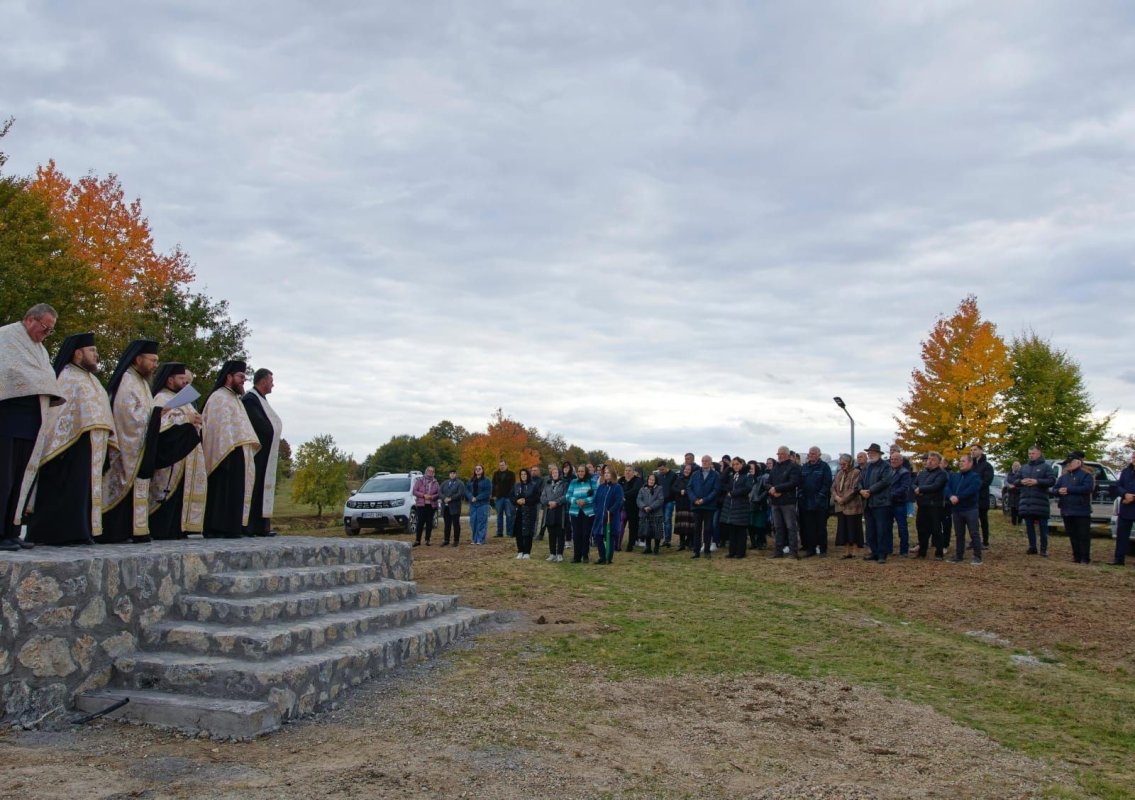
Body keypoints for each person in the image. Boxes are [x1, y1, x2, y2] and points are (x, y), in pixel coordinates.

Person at [24, 332, 115, 546]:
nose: (96, 354)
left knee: (84, 490)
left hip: (92, 445)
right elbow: (57, 416)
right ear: (77, 353)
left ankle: (81, 531)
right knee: (70, 488)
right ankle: (58, 533)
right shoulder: (66, 376)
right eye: (91, 350)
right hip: (71, 445)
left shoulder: (91, 379)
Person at [0, 303, 62, 551]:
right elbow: (8, 370)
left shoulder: (40, 350)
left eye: (50, 331)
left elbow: (46, 376)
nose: (46, 335)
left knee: (19, 479)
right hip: (7, 420)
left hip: (31, 421)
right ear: (30, 320)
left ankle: (11, 530)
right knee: (2, 478)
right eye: (45, 328)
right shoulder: (5, 337)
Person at [101, 339, 165, 544]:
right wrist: (157, 415)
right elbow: (127, 415)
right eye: (153, 360)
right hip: (126, 444)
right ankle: (115, 531)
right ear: (138, 359)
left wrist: (158, 414)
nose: (156, 364)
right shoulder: (127, 381)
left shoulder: (142, 382)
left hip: (141, 444)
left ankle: (133, 529)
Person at [201, 360, 261, 539]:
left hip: (237, 451)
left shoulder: (235, 399)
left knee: (235, 491)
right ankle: (217, 527)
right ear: (229, 377)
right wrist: (226, 448)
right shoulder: (218, 397)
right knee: (222, 490)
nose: (244, 380)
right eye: (241, 377)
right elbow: (217, 428)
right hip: (223, 453)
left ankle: (231, 527)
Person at [148, 363, 206, 540]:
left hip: (188, 457)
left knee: (182, 496)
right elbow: (159, 425)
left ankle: (181, 529)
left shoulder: (186, 401)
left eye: (186, 379)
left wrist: (196, 419)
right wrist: (185, 419)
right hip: (171, 460)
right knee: (167, 497)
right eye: (181, 379)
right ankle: (161, 531)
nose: (185, 382)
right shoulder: (160, 398)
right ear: (170, 379)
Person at [241, 368, 282, 537]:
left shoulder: (260, 399)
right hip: (257, 453)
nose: (273, 384)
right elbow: (258, 423)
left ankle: (261, 526)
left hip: (266, 453)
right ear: (263, 381)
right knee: (255, 488)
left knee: (262, 488)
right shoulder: (251, 399)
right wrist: (270, 431)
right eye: (271, 381)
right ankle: (251, 526)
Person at [1010, 447, 1054, 556]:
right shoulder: (1024, 467)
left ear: (1039, 454)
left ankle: (1043, 549)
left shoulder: (1046, 467)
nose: (1031, 455)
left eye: (1033, 453)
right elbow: (1014, 480)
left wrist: (1037, 481)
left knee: (1043, 527)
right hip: (1027, 502)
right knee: (1029, 526)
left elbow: (1052, 480)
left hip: (1041, 502)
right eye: (1029, 453)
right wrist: (1021, 481)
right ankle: (1032, 547)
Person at [1054, 451, 1093, 564]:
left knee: (1083, 535)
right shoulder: (1063, 477)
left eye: (1070, 463)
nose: (1068, 465)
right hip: (1067, 509)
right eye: (1067, 463)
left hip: (1081, 510)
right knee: (1072, 534)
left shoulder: (1086, 475)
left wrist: (1069, 490)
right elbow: (1054, 489)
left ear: (1078, 462)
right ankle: (1076, 556)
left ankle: (1085, 557)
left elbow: (1087, 488)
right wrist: (1058, 491)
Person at [859, 443, 893, 563]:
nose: (870, 454)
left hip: (881, 503)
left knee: (881, 529)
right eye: (869, 452)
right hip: (868, 503)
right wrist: (861, 490)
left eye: (872, 452)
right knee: (870, 530)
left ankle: (882, 554)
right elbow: (860, 480)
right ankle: (873, 552)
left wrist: (870, 490)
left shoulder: (886, 466)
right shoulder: (867, 467)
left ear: (878, 453)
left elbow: (885, 481)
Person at [947, 455, 983, 565]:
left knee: (974, 533)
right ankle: (959, 555)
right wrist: (950, 496)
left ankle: (977, 556)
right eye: (960, 461)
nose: (961, 463)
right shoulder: (954, 476)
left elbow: (972, 489)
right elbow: (946, 487)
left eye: (963, 461)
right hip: (956, 510)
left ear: (970, 463)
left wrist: (959, 497)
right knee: (959, 534)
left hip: (970, 509)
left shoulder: (975, 477)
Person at [912, 452, 948, 559]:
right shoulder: (922, 473)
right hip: (922, 505)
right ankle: (922, 552)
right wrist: (916, 488)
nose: (929, 461)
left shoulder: (941, 474)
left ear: (938, 462)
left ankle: (939, 553)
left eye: (933, 460)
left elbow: (936, 486)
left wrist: (921, 489)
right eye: (929, 459)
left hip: (934, 506)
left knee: (936, 530)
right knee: (921, 529)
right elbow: (914, 483)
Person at [768, 446, 802, 559]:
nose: (779, 456)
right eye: (778, 454)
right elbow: (767, 482)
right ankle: (778, 551)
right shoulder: (775, 467)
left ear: (787, 454)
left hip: (788, 501)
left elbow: (793, 482)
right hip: (775, 501)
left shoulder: (793, 467)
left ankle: (793, 552)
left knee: (791, 527)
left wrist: (777, 489)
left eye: (781, 453)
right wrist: (772, 490)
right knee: (778, 527)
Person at [799, 446, 832, 557]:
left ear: (819, 455)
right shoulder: (805, 467)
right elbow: (800, 483)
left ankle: (822, 549)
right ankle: (811, 549)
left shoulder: (824, 467)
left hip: (820, 503)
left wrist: (820, 496)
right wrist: (801, 495)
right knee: (809, 527)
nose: (811, 455)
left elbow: (827, 483)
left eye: (813, 453)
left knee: (821, 527)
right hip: (806, 502)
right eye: (810, 453)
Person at [720, 456, 755, 558]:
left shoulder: (747, 475)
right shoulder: (733, 475)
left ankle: (740, 552)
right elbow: (722, 482)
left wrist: (734, 493)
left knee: (740, 531)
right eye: (733, 464)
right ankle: (732, 551)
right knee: (732, 530)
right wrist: (728, 469)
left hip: (741, 506)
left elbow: (748, 488)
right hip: (731, 506)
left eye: (737, 464)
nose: (735, 466)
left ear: (742, 464)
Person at [831, 454, 863, 559]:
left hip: (852, 506)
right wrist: (836, 497)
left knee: (853, 528)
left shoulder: (856, 473)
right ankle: (846, 550)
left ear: (849, 463)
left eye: (844, 464)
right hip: (840, 507)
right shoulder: (839, 473)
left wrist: (843, 499)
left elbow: (854, 489)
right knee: (843, 529)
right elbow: (833, 487)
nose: (842, 466)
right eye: (840, 464)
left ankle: (854, 550)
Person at [687, 454, 720, 559]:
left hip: (709, 506)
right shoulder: (695, 474)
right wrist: (694, 499)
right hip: (696, 506)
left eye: (706, 461)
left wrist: (704, 500)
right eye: (703, 461)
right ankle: (696, 551)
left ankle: (706, 550)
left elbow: (716, 490)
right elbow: (689, 488)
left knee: (708, 529)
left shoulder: (715, 475)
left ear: (710, 462)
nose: (704, 463)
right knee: (697, 529)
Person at [592, 466, 624, 565]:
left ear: (613, 475)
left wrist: (610, 511)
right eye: (605, 472)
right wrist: (596, 510)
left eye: (608, 473)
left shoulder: (617, 487)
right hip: (600, 517)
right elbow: (596, 500)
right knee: (598, 536)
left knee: (609, 537)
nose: (606, 474)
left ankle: (608, 558)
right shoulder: (601, 487)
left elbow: (619, 502)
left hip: (611, 517)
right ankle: (602, 557)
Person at [1108, 450, 1135, 566]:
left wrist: (1132, 497)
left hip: (1131, 502)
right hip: (1126, 508)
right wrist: (1125, 495)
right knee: (1122, 535)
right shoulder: (1126, 471)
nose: (1134, 458)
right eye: (1133, 456)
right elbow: (1118, 486)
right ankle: (1119, 559)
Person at [566, 463, 595, 563]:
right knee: (576, 534)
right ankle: (576, 556)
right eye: (579, 471)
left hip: (588, 512)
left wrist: (585, 501)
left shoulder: (592, 482)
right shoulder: (573, 482)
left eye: (582, 471)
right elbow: (568, 496)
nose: (580, 473)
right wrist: (576, 501)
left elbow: (595, 495)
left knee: (586, 534)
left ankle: (585, 555)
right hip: (575, 511)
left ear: (586, 472)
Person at [540, 464, 567, 561]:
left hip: (560, 512)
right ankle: (552, 554)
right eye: (553, 472)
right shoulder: (547, 485)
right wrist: (548, 503)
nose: (554, 474)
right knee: (551, 534)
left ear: (559, 474)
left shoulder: (564, 484)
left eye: (556, 472)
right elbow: (542, 497)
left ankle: (560, 554)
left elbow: (565, 496)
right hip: (549, 511)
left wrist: (556, 502)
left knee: (560, 533)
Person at [888, 451, 912, 556]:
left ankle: (904, 550)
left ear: (901, 461)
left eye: (896, 459)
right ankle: (888, 549)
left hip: (899, 503)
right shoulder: (888, 471)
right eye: (892, 459)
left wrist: (890, 494)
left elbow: (904, 487)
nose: (893, 461)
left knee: (902, 527)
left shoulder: (904, 472)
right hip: (888, 503)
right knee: (887, 527)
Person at [971, 444, 995, 547]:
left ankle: (985, 541)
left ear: (981, 451)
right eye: (971, 450)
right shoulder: (971, 465)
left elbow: (987, 481)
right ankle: (974, 540)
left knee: (983, 520)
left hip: (982, 497)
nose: (973, 452)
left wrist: (974, 486)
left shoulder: (987, 466)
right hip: (971, 498)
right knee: (972, 521)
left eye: (975, 450)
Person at [512, 467, 539, 559]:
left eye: (525, 474)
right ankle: (520, 551)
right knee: (519, 531)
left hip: (530, 511)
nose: (523, 476)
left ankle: (527, 552)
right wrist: (517, 501)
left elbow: (536, 498)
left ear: (528, 475)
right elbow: (511, 496)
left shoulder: (533, 485)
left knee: (528, 532)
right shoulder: (516, 485)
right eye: (521, 474)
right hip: (519, 511)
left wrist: (526, 501)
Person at [636, 472, 665, 555]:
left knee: (657, 532)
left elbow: (660, 500)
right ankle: (648, 547)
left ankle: (656, 548)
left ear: (655, 481)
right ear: (647, 480)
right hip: (644, 513)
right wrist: (644, 507)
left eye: (653, 480)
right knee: (646, 531)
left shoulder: (659, 489)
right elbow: (638, 499)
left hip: (656, 514)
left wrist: (651, 507)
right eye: (650, 479)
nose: (651, 481)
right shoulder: (642, 489)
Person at [412, 466, 440, 546]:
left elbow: (439, 493)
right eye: (429, 471)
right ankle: (417, 540)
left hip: (431, 505)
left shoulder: (436, 482)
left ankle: (427, 540)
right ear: (426, 471)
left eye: (432, 471)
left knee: (429, 523)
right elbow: (414, 491)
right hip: (421, 505)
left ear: (434, 473)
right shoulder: (419, 481)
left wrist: (432, 497)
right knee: (420, 523)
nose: (430, 472)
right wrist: (423, 495)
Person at [465, 464, 491, 545]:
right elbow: (466, 490)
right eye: (476, 469)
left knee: (482, 521)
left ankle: (480, 539)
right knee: (473, 522)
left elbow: (487, 492)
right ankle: (474, 539)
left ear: (482, 470)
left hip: (483, 504)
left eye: (479, 469)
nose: (477, 470)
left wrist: (477, 498)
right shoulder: (471, 480)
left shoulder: (487, 481)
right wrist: (471, 497)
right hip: (473, 504)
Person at [619, 465, 643, 552]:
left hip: (633, 507)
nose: (627, 472)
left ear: (633, 472)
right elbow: (617, 490)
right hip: (622, 507)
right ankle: (617, 544)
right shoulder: (621, 480)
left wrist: (623, 495)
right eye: (626, 470)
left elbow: (635, 491)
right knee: (620, 526)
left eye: (629, 470)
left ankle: (630, 545)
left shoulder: (637, 480)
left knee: (633, 527)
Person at [747, 461, 770, 549]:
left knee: (759, 525)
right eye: (749, 469)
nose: (750, 470)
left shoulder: (762, 478)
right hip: (748, 505)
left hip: (759, 505)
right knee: (750, 525)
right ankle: (753, 543)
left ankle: (761, 542)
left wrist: (759, 498)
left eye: (752, 468)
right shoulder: (747, 478)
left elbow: (766, 490)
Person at [439, 468, 464, 547]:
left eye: (454, 473)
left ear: (456, 474)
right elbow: (440, 492)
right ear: (449, 474)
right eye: (451, 473)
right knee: (447, 524)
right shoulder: (445, 483)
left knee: (456, 524)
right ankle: (446, 540)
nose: (452, 474)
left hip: (455, 507)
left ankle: (456, 540)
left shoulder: (460, 483)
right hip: (446, 507)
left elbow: (460, 493)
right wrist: (444, 498)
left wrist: (451, 498)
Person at [673, 463, 695, 551]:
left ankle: (690, 543)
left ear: (691, 471)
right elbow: (673, 488)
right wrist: (680, 491)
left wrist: (686, 492)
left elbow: (694, 489)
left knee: (690, 525)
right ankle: (682, 544)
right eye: (686, 469)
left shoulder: (693, 479)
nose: (687, 471)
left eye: (689, 469)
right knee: (681, 526)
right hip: (680, 505)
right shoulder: (679, 478)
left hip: (689, 505)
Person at [491, 460, 516, 538]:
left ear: (506, 465)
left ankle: (509, 533)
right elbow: (493, 485)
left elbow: (513, 486)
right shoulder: (496, 474)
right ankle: (499, 533)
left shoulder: (511, 474)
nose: (501, 466)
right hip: (499, 498)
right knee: (499, 515)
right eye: (500, 465)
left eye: (503, 465)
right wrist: (493, 495)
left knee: (509, 515)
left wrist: (511, 496)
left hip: (508, 497)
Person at [655, 460, 677, 547]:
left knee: (667, 520)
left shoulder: (673, 475)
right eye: (659, 470)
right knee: (662, 520)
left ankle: (667, 540)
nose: (661, 471)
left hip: (669, 501)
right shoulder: (658, 476)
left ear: (666, 466)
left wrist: (671, 497)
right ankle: (663, 538)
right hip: (660, 501)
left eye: (662, 469)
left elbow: (675, 488)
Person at [1003, 461, 1022, 526]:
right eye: (1014, 466)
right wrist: (1009, 485)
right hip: (1011, 492)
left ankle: (1019, 521)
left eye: (1017, 466)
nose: (1015, 467)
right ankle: (1013, 522)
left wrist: (1016, 485)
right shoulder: (1008, 474)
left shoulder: (1022, 474)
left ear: (1019, 467)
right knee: (1012, 507)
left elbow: (1022, 482)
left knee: (1019, 508)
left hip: (1019, 493)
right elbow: (1005, 481)